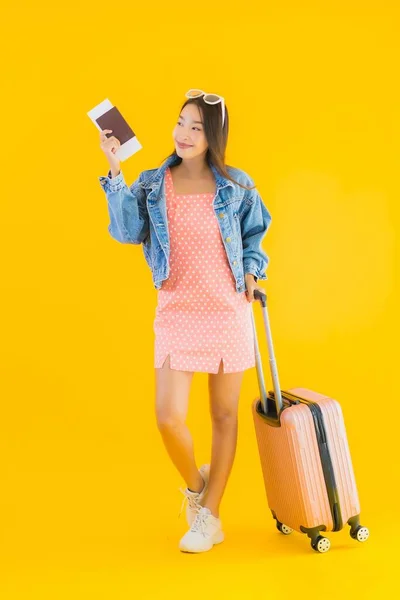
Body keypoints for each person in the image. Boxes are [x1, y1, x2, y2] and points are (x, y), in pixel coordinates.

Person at [98, 90, 272, 553]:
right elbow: (127, 232)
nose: (184, 134)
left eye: (196, 127)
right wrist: (116, 171)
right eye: (180, 123)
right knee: (168, 416)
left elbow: (256, 234)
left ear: (213, 135)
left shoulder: (237, 186)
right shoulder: (154, 183)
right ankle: (199, 487)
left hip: (227, 310)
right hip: (177, 311)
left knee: (223, 414)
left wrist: (253, 273)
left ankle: (210, 517)